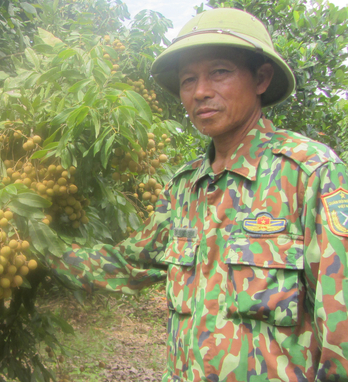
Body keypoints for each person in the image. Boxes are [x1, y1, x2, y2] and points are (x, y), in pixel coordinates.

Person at [50, 8, 348, 381]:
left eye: (219, 72)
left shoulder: (308, 173)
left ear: (261, 78)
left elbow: (342, 325)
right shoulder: (184, 187)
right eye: (188, 79)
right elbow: (131, 265)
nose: (201, 91)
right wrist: (41, 252)